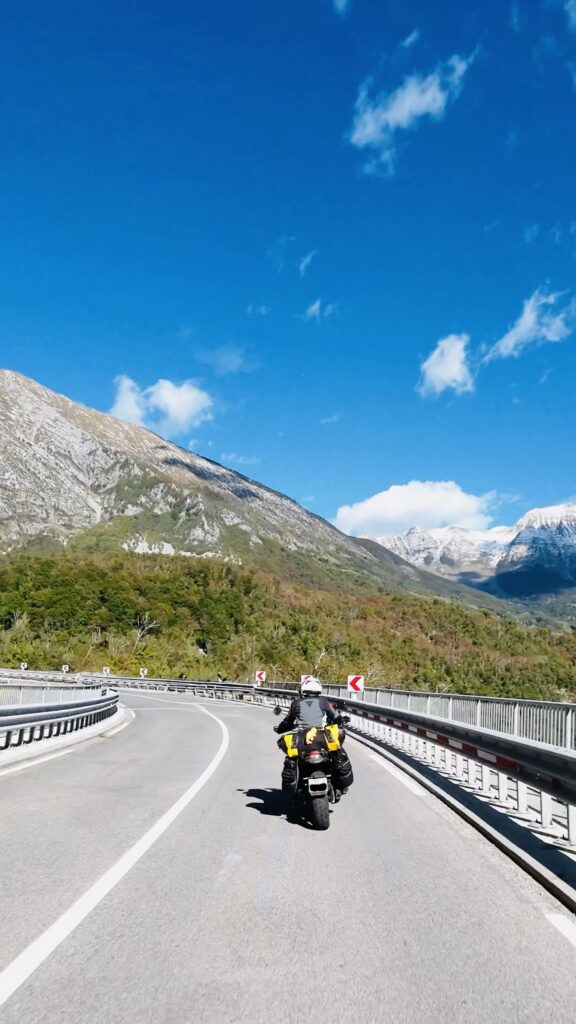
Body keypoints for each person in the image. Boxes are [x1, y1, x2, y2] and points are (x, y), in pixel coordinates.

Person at [274, 677, 353, 795]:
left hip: (302, 741)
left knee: (292, 758)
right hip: (323, 738)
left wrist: (279, 729)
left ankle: (295, 786)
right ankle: (340, 785)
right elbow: (336, 717)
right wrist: (341, 720)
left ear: (303, 689)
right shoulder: (324, 702)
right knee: (338, 753)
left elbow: (287, 722)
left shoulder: (296, 703)